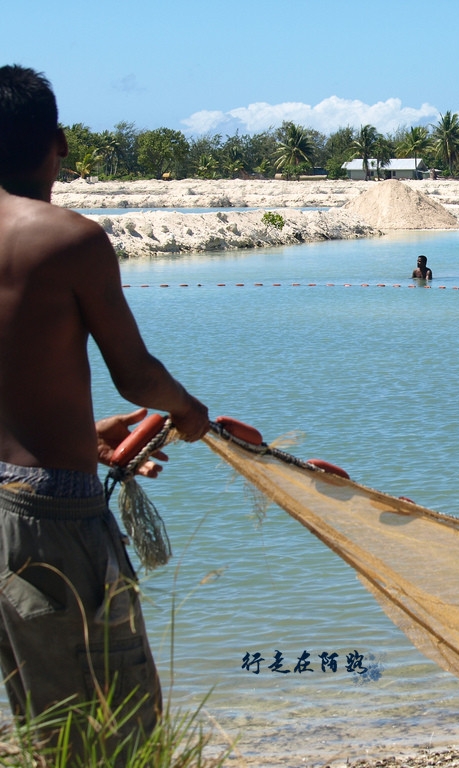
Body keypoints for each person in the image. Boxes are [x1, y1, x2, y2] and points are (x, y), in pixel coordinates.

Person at [0, 65, 209, 754]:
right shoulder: (69, 238)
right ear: (57, 143)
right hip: (54, 518)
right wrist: (186, 408)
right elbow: (135, 376)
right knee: (117, 727)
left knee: (45, 718)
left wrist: (84, 437)